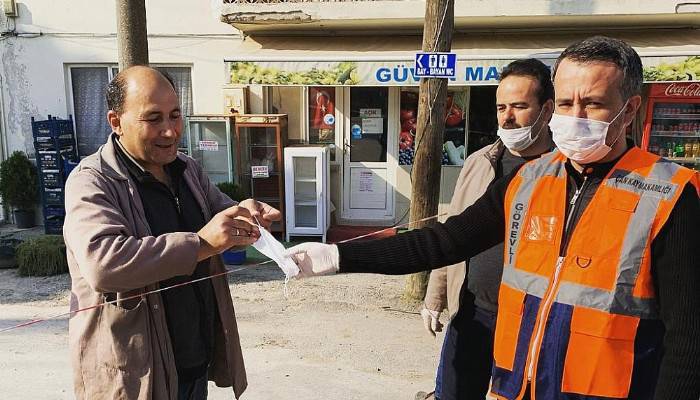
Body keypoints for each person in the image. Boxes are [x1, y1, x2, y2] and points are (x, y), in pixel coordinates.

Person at [289, 36, 700, 400]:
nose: (575, 116)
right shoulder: (529, 180)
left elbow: (689, 340)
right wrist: (339, 257)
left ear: (629, 110)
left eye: (592, 104)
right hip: (515, 388)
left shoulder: (671, 194)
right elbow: (443, 242)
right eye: (567, 103)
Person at [63, 66, 280, 400]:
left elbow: (218, 210)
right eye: (153, 118)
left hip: (192, 362)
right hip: (136, 374)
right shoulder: (92, 181)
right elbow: (103, 264)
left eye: (175, 115)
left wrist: (246, 210)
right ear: (116, 121)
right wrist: (202, 244)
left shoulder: (186, 168)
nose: (169, 131)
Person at [420, 58, 555, 400]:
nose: (507, 116)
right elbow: (452, 229)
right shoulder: (480, 162)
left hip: (533, 324)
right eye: (501, 107)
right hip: (472, 313)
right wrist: (435, 296)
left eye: (520, 106)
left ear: (547, 109)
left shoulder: (566, 170)